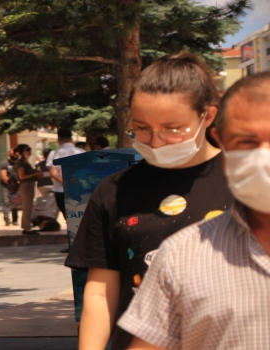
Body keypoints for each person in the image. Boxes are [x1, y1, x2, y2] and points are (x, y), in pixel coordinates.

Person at [63, 52, 234, 350]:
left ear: (207, 116)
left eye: (172, 129)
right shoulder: (113, 191)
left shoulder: (247, 184)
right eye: (142, 128)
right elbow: (100, 292)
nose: (155, 141)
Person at [118, 71, 270, 350]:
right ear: (224, 147)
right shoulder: (182, 255)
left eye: (172, 128)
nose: (263, 155)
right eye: (246, 142)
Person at [46, 129, 86, 234]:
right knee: (81, 218)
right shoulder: (81, 152)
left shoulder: (54, 153)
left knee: (69, 219)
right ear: (72, 140)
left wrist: (67, 183)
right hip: (80, 190)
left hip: (61, 190)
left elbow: (53, 173)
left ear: (58, 140)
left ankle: (72, 244)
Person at [14, 144, 43, 234]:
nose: (30, 151)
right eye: (28, 149)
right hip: (25, 186)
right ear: (22, 151)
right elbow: (21, 176)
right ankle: (27, 228)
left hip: (30, 185)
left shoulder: (25, 161)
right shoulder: (21, 162)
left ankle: (27, 226)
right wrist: (35, 174)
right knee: (27, 207)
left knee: (29, 206)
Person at [0, 148, 20, 226]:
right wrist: (11, 183)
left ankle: (15, 220)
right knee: (6, 202)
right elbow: (3, 176)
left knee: (15, 202)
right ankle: (7, 219)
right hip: (6, 186)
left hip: (17, 187)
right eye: (12, 153)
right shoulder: (4, 163)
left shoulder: (20, 163)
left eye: (16, 153)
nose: (14, 154)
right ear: (9, 154)